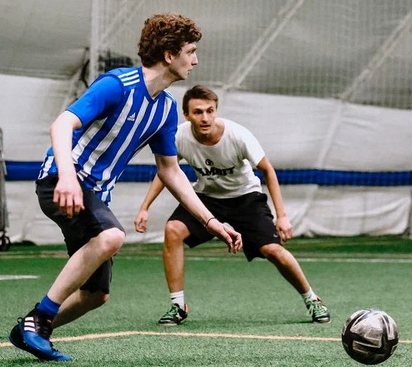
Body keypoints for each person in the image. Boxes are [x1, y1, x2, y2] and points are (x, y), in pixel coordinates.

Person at [8, 15, 242, 362]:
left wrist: (211, 222)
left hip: (94, 195)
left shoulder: (165, 109)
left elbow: (171, 171)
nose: (195, 60)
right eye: (190, 52)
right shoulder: (117, 84)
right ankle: (40, 320)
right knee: (111, 236)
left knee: (95, 294)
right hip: (61, 179)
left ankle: (28, 329)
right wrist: (68, 177)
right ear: (169, 55)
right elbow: (61, 124)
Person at [134, 85, 330, 326]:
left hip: (246, 198)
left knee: (273, 251)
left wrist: (282, 216)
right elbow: (166, 171)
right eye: (197, 112)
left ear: (216, 111)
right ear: (186, 115)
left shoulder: (238, 135)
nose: (205, 118)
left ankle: (312, 299)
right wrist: (145, 207)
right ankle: (178, 305)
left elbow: (268, 170)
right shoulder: (180, 136)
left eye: (209, 111)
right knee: (173, 230)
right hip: (207, 198)